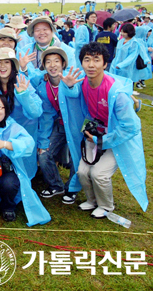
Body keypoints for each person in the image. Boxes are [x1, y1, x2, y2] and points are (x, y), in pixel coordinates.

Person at [60, 42, 147, 218]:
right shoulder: (84, 82)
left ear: (105, 64)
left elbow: (131, 126)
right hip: (96, 135)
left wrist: (104, 140)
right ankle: (92, 201)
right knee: (82, 171)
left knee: (99, 173)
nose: (91, 65)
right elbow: (74, 97)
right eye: (87, 60)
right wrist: (69, 86)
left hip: (117, 139)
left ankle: (106, 206)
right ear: (81, 62)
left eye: (96, 60)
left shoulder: (117, 93)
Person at [0, 94, 51, 225]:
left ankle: (8, 207)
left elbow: (28, 144)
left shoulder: (12, 127)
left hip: (7, 168)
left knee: (9, 184)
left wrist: (6, 144)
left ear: (6, 110)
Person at [0, 47, 43, 178]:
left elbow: (36, 111)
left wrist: (23, 94)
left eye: (7, 62)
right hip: (0, 131)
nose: (2, 66)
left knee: (23, 166)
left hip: (24, 129)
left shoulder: (21, 80)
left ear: (13, 65)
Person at [35, 47, 77, 203]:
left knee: (78, 157)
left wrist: (71, 87)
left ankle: (72, 188)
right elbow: (46, 116)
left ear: (63, 63)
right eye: (48, 61)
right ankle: (56, 185)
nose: (52, 65)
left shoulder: (72, 79)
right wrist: (43, 141)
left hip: (75, 127)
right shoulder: (43, 86)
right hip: (59, 126)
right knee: (44, 153)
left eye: (56, 61)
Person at [19, 16, 76, 80]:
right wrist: (23, 69)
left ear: (52, 31)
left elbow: (71, 76)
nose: (42, 33)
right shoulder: (25, 51)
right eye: (37, 30)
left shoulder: (67, 51)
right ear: (33, 33)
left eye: (45, 29)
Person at [109, 24, 142, 95]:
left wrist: (121, 65)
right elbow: (117, 54)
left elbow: (131, 57)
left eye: (124, 32)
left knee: (124, 87)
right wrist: (114, 64)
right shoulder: (121, 41)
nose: (122, 33)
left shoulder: (134, 43)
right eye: (121, 31)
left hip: (126, 69)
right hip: (115, 66)